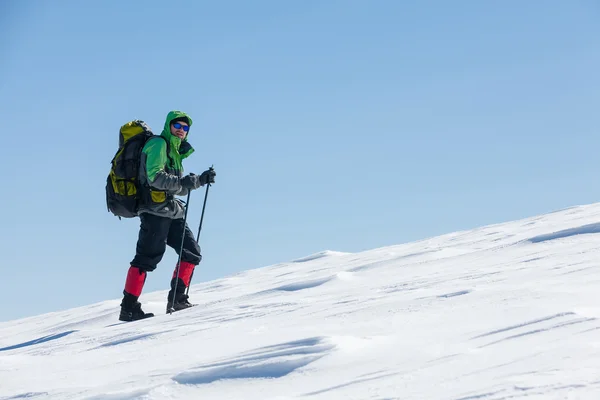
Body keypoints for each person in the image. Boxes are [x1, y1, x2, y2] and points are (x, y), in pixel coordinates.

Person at [119, 110, 216, 322]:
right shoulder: (158, 145)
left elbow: (178, 187)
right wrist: (186, 182)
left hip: (172, 210)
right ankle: (128, 308)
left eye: (185, 128)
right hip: (154, 210)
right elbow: (154, 177)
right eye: (177, 126)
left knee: (191, 252)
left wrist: (199, 180)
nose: (181, 130)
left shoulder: (175, 151)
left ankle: (178, 300)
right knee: (147, 258)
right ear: (168, 126)